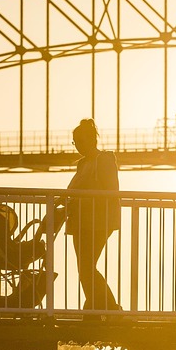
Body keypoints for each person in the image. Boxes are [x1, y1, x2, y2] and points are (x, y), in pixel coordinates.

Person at [57, 118, 121, 312]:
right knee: (85, 269)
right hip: (80, 221)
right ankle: (95, 309)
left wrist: (82, 199)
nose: (76, 147)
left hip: (98, 221)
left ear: (89, 141)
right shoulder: (83, 164)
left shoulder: (105, 159)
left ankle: (109, 309)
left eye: (77, 142)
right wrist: (61, 201)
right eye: (74, 143)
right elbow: (74, 189)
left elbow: (111, 191)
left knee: (86, 269)